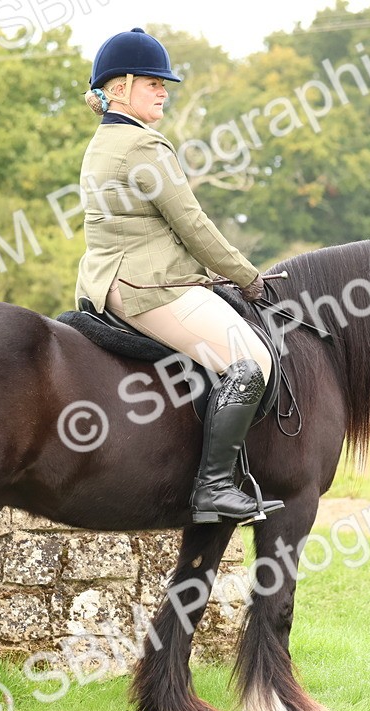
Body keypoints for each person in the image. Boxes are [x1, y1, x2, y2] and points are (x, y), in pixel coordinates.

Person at [74, 27, 283, 525]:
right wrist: (248, 277)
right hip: (149, 289)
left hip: (106, 282)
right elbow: (193, 226)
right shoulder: (143, 147)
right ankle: (213, 487)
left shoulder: (106, 142)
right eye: (153, 83)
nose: (164, 91)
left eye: (164, 83)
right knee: (251, 362)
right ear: (119, 88)